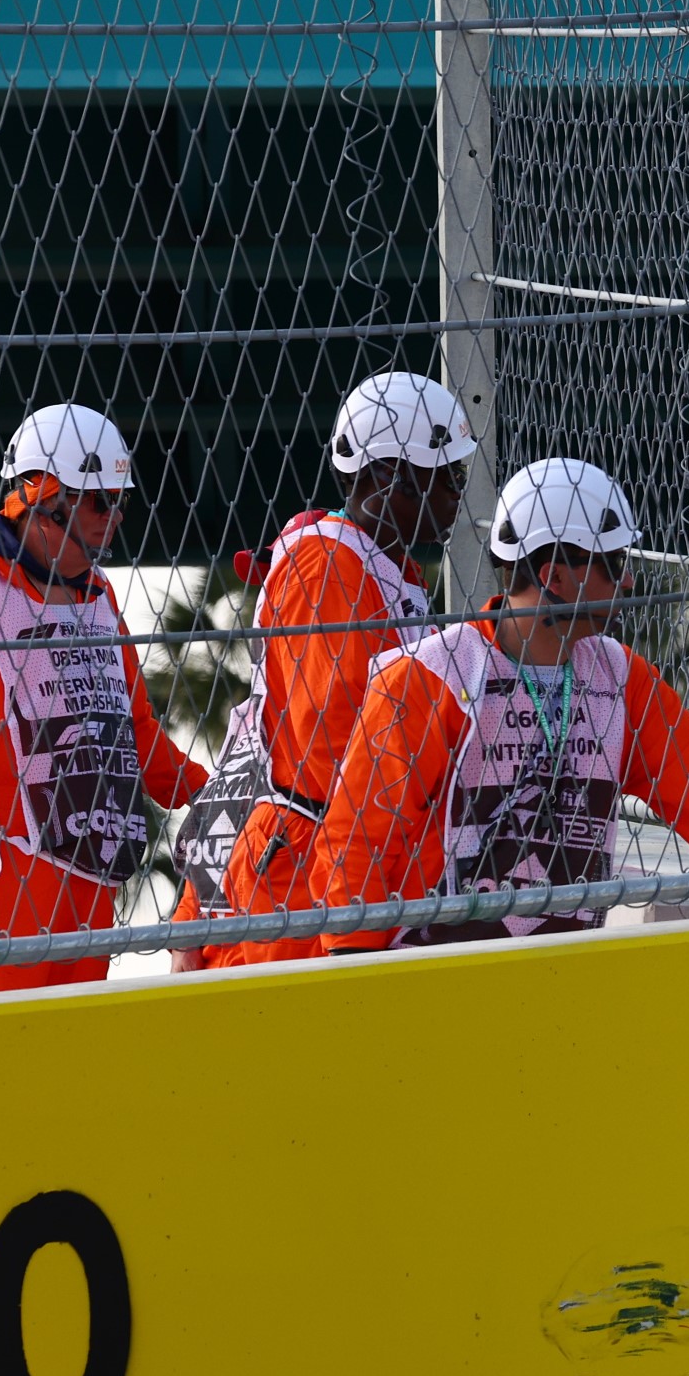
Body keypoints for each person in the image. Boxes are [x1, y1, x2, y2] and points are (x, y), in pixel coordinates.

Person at [306, 457, 689, 953]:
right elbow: (358, 837)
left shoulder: (621, 677)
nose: (628, 582)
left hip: (565, 974)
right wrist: (354, 968)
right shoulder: (429, 676)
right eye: (613, 564)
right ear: (554, 576)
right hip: (433, 975)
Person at [170, 372, 473, 968]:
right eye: (448, 477)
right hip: (307, 868)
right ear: (390, 478)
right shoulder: (332, 568)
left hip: (337, 858)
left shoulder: (380, 570)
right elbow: (332, 750)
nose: (460, 494)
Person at [0, 405, 209, 995]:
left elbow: (133, 731)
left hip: (89, 899)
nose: (112, 519)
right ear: (41, 493)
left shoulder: (99, 596)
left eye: (120, 502)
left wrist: (215, 793)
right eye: (97, 502)